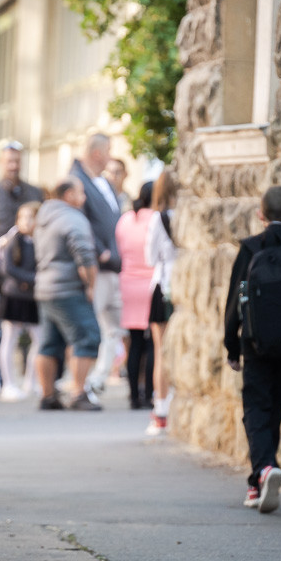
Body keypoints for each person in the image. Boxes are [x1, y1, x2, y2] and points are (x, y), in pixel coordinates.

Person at [223, 186, 281, 511]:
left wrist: (232, 346)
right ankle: (259, 479)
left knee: (255, 411)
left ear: (260, 214)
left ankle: (263, 470)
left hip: (255, 344)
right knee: (273, 411)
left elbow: (238, 297)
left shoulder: (250, 250)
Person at [33, 178, 101, 411]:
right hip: (68, 288)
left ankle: (47, 395)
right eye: (81, 192)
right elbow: (85, 256)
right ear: (69, 194)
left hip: (45, 288)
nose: (84, 198)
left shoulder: (44, 217)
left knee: (49, 344)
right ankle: (79, 393)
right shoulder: (72, 218)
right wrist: (91, 284)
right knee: (86, 337)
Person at [69, 133, 123, 397]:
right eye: (109, 151)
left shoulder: (101, 181)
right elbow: (81, 221)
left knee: (113, 328)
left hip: (113, 266)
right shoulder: (77, 179)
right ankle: (79, 385)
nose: (111, 157)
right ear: (98, 153)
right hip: (96, 266)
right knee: (90, 328)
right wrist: (100, 252)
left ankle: (97, 379)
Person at [0, 140, 44, 395]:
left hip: (30, 267)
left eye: (17, 161)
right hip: (4, 269)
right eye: (9, 161)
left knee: (32, 332)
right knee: (1, 329)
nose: (13, 165)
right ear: (2, 162)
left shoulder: (33, 191)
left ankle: (29, 378)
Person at [0, 202, 41, 402]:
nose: (26, 222)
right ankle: (9, 384)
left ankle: (32, 381)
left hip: (33, 297)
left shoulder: (40, 240)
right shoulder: (12, 240)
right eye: (22, 218)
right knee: (9, 338)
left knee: (39, 339)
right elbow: (7, 268)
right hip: (13, 296)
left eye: (30, 217)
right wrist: (30, 279)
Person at [144, 168, 178, 435]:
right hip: (187, 288)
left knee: (161, 351)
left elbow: (150, 257)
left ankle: (162, 410)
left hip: (164, 287)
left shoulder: (160, 218)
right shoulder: (188, 215)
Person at [115, 181, 155, 410]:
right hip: (151, 284)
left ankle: (133, 395)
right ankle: (148, 394)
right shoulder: (156, 219)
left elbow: (120, 249)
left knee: (135, 342)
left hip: (129, 284)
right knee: (152, 344)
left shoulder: (125, 220)